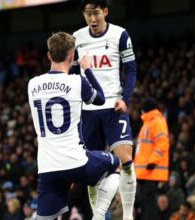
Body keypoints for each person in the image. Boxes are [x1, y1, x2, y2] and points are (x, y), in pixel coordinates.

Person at [28, 31, 120, 220]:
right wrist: (86, 69)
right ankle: (99, 216)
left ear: (48, 55)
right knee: (116, 164)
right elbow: (101, 98)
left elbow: (55, 84)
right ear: (72, 56)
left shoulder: (32, 84)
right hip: (76, 162)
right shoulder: (77, 82)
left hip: (47, 167)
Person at [70, 1, 137, 219]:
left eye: (96, 13)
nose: (92, 19)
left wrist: (125, 99)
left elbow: (131, 70)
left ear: (105, 11)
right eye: (88, 14)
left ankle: (128, 215)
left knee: (125, 159)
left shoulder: (120, 35)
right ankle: (97, 216)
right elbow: (71, 75)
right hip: (87, 110)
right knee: (92, 170)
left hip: (113, 107)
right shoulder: (77, 38)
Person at [133, 97, 170, 220]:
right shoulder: (148, 123)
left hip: (152, 170)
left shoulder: (157, 122)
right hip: (143, 171)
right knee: (144, 201)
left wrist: (153, 161)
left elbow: (163, 143)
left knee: (149, 201)